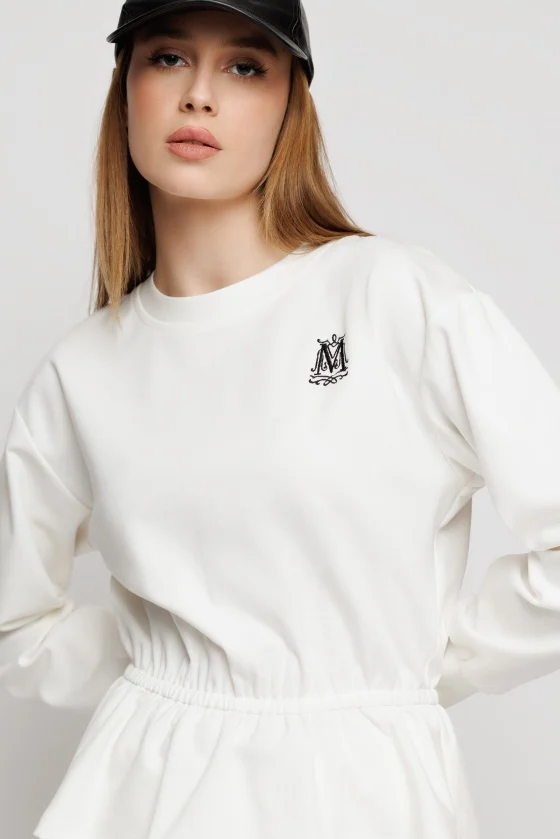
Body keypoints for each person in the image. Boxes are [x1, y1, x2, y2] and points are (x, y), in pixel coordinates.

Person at [1, 2, 559, 837]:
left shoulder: (391, 297)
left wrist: (432, 663)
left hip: (362, 790)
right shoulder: (82, 371)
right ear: (125, 90)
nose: (199, 94)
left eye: (245, 66)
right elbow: (17, 624)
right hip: (140, 797)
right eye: (167, 58)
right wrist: (174, 668)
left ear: (291, 104)